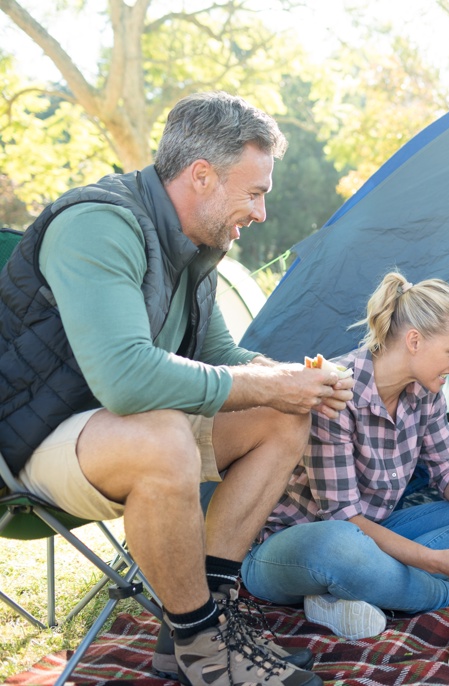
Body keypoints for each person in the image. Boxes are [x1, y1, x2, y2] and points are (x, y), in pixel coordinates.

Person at [0, 92, 355, 686]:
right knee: (163, 434)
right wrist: (265, 380)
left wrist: (292, 382)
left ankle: (208, 619)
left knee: (278, 417)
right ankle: (205, 651)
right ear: (201, 176)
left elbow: (220, 359)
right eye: (255, 191)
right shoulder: (98, 224)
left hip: (115, 429)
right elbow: (126, 379)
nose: (262, 212)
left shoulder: (195, 250)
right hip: (31, 440)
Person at [241, 272, 449, 639]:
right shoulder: (336, 391)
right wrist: (438, 562)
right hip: (296, 547)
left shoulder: (426, 394)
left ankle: (355, 595)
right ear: (415, 341)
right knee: (340, 548)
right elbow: (345, 519)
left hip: (374, 537)